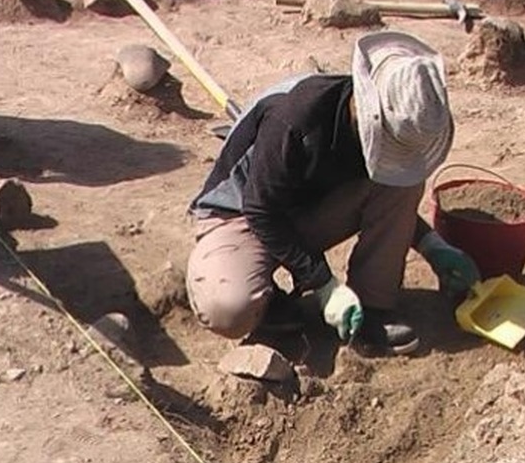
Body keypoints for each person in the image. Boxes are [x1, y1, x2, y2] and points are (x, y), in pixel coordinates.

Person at [185, 31, 480, 355]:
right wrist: (323, 284)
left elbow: (385, 196)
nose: (392, 151)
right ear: (368, 111)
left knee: (404, 181)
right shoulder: (294, 119)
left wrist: (431, 244)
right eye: (391, 144)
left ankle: (373, 309)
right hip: (240, 216)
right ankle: (266, 304)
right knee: (227, 309)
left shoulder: (383, 128)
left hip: (307, 210)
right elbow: (262, 210)